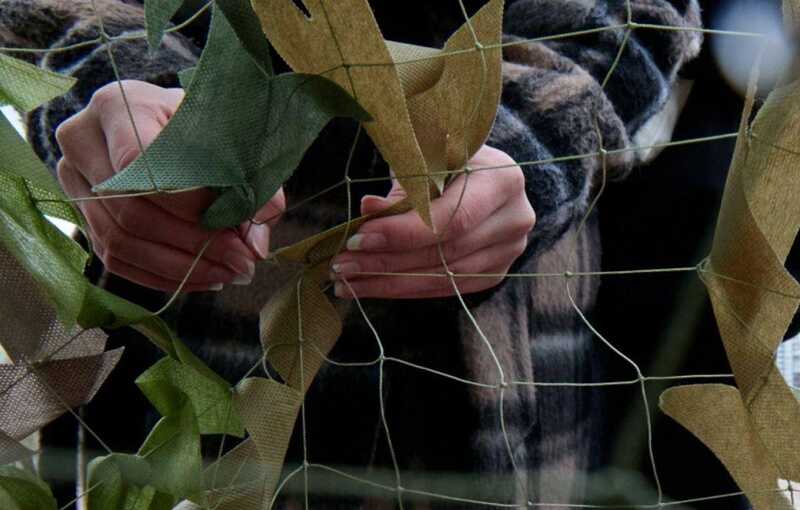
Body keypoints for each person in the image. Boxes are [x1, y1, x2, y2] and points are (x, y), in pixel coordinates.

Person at [0, 0, 703, 506]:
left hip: (509, 369)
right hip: (193, 342)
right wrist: (124, 91)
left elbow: (630, 18)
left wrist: (525, 143)